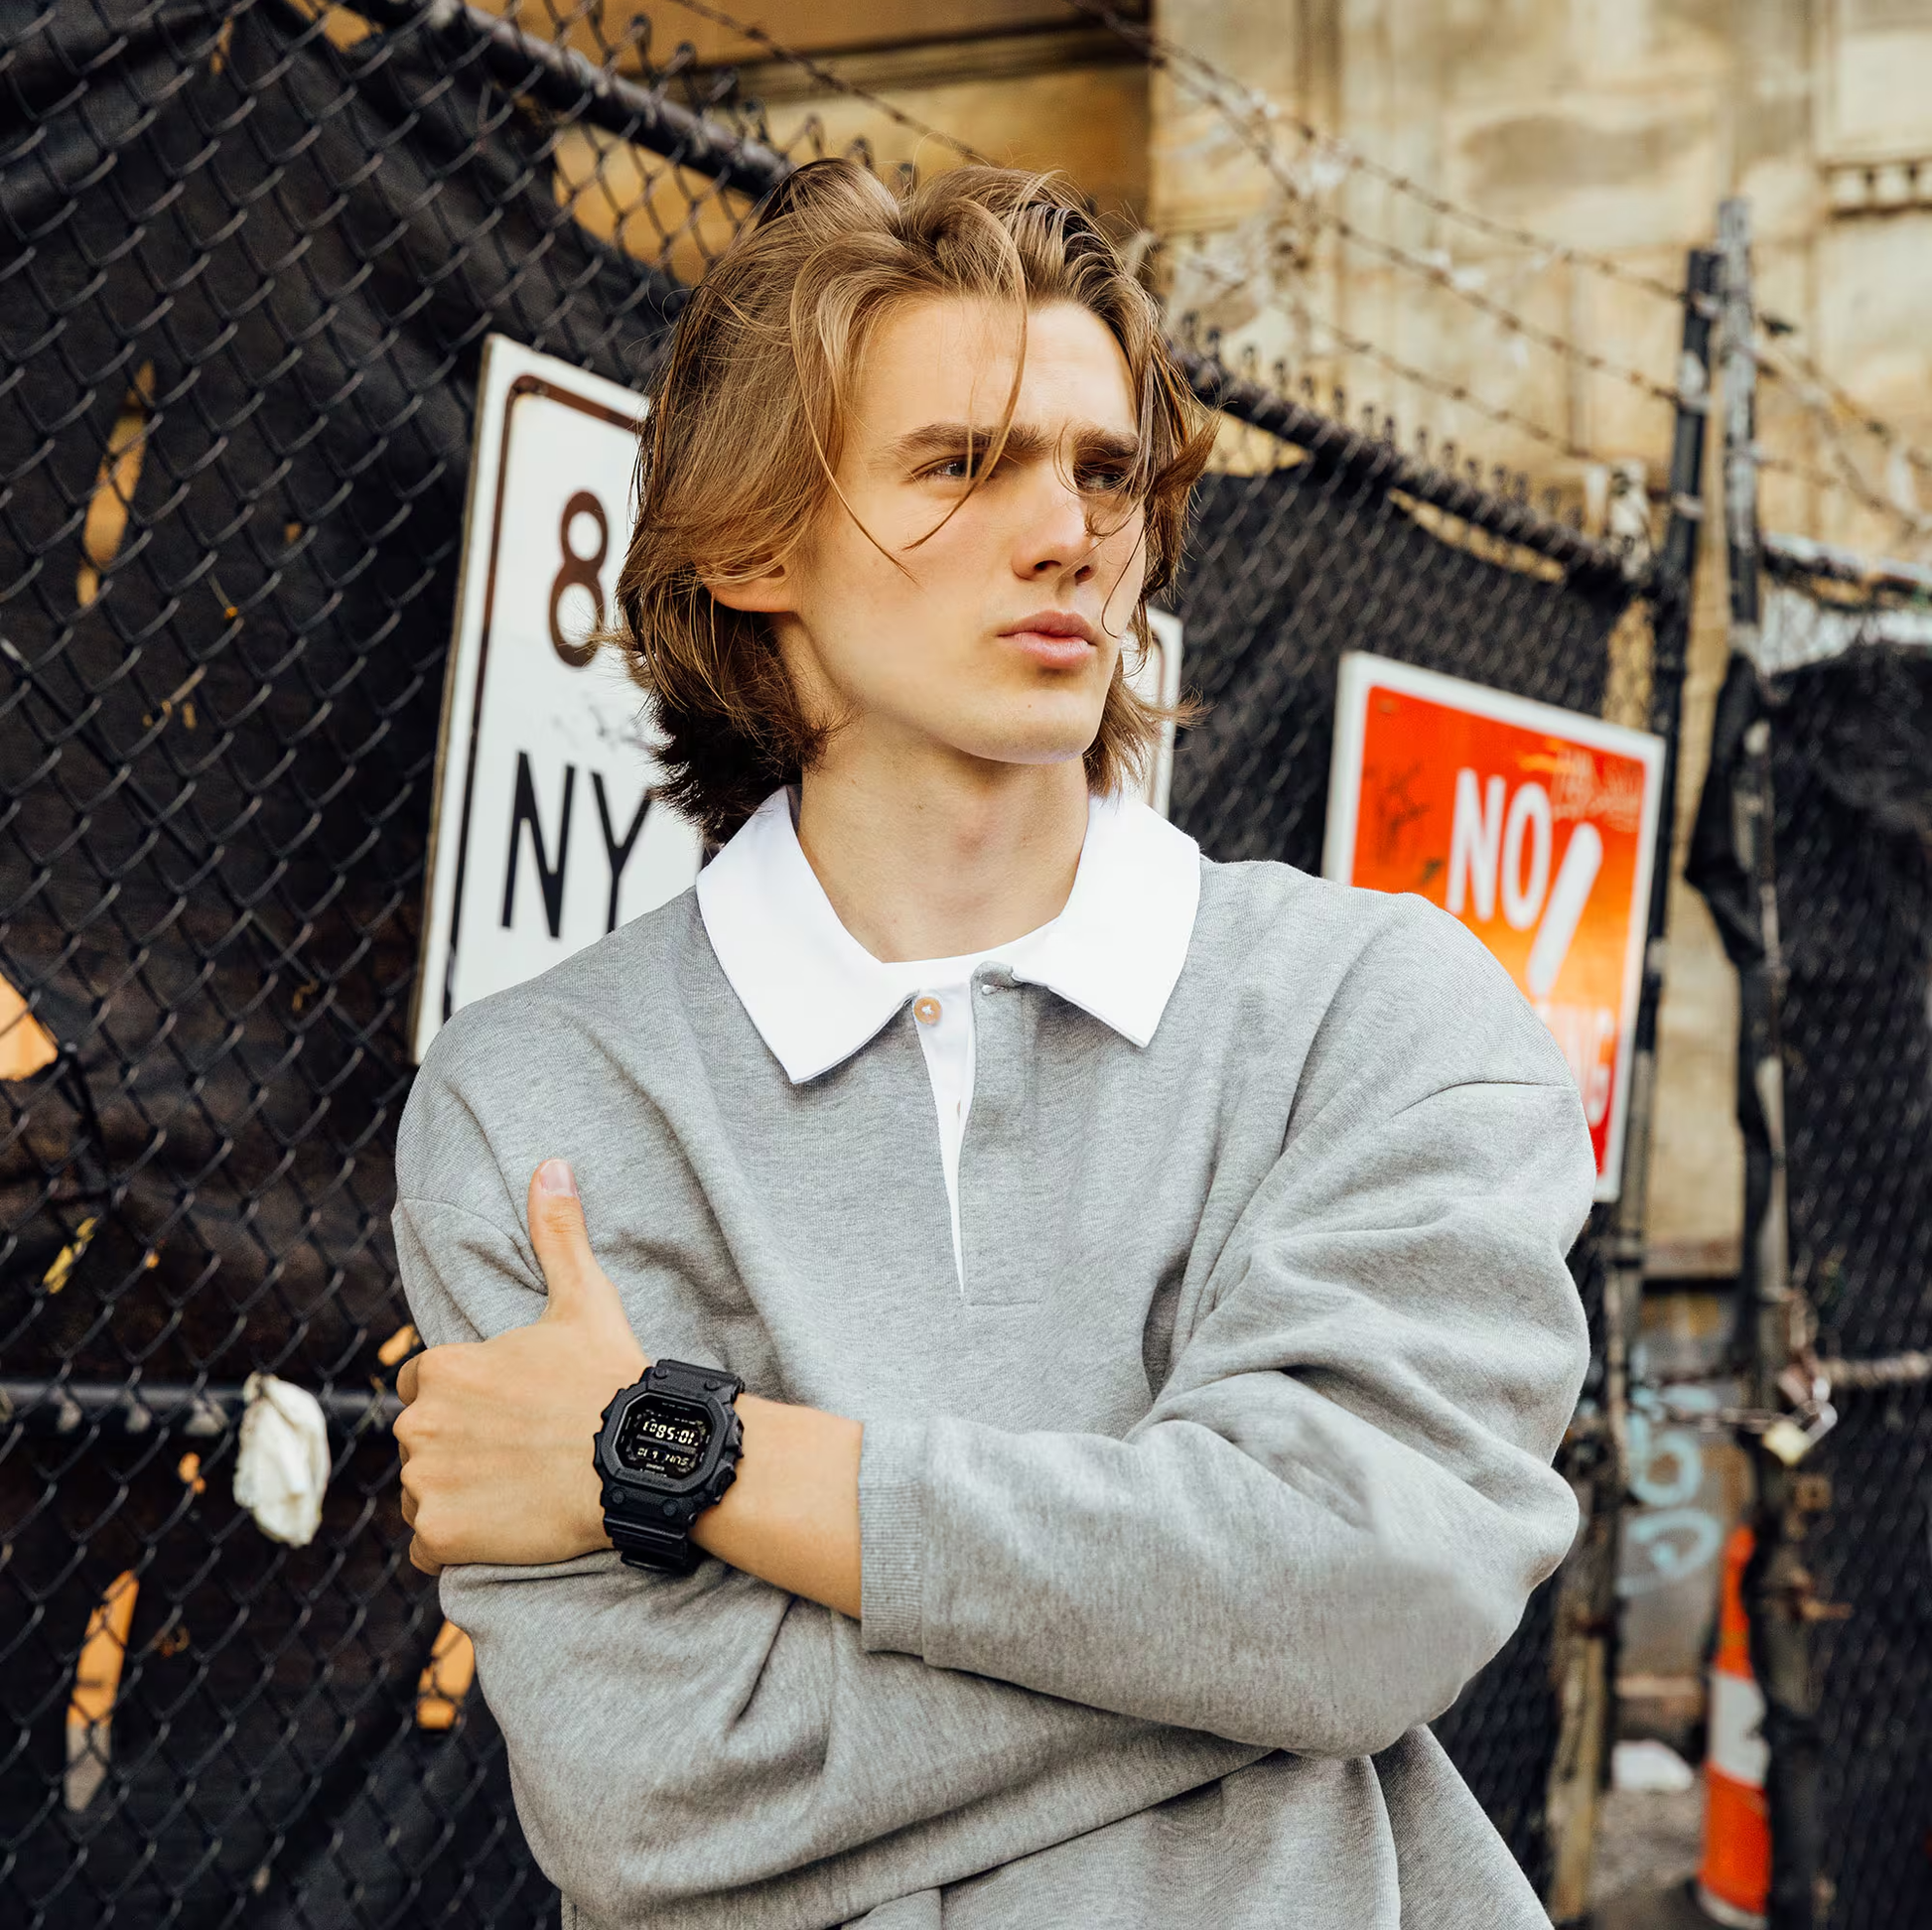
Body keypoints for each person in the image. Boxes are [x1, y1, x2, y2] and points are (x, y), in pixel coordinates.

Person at [390, 160, 1593, 1930]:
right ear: (748, 543)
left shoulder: (1380, 1008)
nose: (1068, 534)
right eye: (958, 465)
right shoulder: (534, 1108)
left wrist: (690, 1458)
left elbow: (1367, 1599)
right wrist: (1229, 1639)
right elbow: (655, 1791)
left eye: (1103, 470)